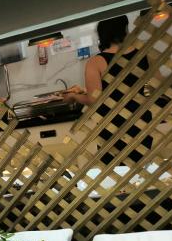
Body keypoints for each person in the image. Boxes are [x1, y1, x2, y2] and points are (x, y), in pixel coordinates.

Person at [62, 15, 152, 163]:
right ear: (125, 29)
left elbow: (94, 99)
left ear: (102, 35)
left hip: (112, 125)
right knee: (143, 167)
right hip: (140, 120)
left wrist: (74, 96)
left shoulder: (96, 62)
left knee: (115, 170)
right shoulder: (143, 53)